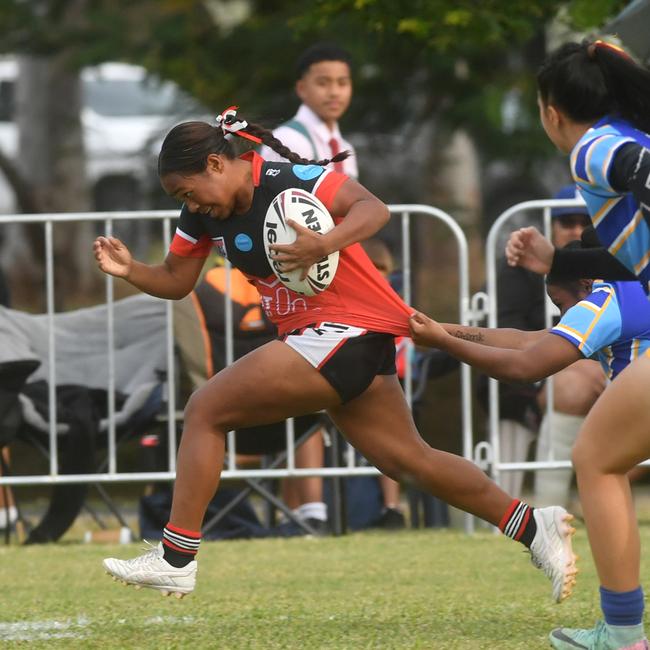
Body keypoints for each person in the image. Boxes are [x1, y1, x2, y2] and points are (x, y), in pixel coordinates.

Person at [97, 108, 576, 611]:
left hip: (343, 330)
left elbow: (373, 210)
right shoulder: (202, 214)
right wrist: (132, 270)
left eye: (187, 192)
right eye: (180, 200)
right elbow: (176, 280)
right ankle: (533, 527)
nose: (188, 203)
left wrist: (322, 244)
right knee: (409, 461)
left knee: (204, 410)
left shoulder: (285, 179)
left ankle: (176, 557)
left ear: (217, 163)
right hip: (331, 339)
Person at [500, 38, 650, 650]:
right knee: (600, 457)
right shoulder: (618, 136)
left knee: (596, 460)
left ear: (550, 111)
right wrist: (558, 258)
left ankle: (621, 635)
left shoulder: (593, 148)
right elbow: (630, 256)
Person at [482, 184, 594, 500]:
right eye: (567, 221)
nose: (576, 229)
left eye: (585, 222)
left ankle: (599, 497)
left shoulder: (626, 262)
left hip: (622, 370)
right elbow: (512, 336)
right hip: (540, 379)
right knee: (568, 388)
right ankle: (551, 510)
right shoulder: (519, 268)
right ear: (551, 225)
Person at [258, 42, 358, 179]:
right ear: (301, 89)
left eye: (342, 83)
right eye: (322, 83)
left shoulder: (345, 147)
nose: (334, 92)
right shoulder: (287, 140)